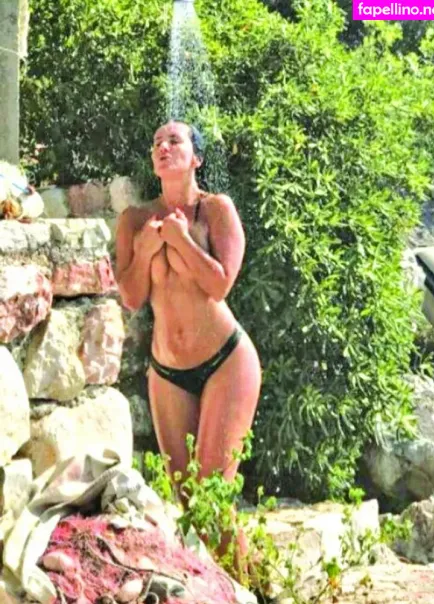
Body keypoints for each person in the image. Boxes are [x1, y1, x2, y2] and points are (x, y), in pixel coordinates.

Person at [115, 120, 262, 578]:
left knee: (212, 496)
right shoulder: (135, 220)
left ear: (196, 157)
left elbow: (220, 285)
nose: (163, 146)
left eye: (174, 140)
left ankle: (259, 591)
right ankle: (238, 588)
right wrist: (145, 250)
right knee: (189, 501)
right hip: (167, 372)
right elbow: (132, 297)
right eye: (156, 142)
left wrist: (180, 241)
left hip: (226, 362)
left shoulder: (216, 210)